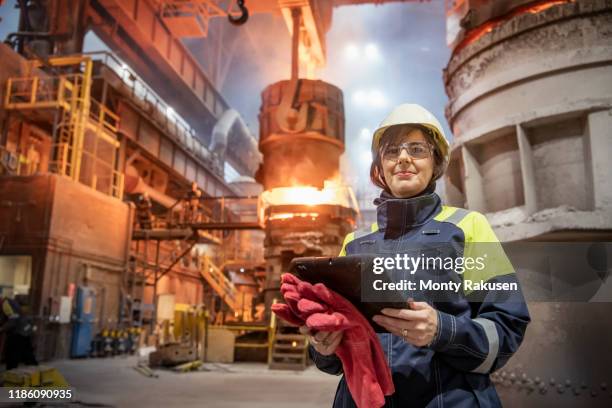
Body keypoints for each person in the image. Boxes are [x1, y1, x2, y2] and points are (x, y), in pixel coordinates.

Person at [301, 104, 530, 407]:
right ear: (379, 168)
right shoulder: (355, 244)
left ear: (435, 162)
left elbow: (507, 326)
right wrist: (324, 345)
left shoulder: (466, 228)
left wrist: (442, 330)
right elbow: (336, 354)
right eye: (392, 151)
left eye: (417, 149)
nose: (404, 158)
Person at [0, 295, 38, 370]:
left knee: (12, 355)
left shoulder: (5, 304)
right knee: (27, 355)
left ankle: (11, 375)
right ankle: (37, 373)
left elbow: (13, 320)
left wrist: (2, 328)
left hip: (18, 332)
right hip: (23, 331)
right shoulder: (7, 303)